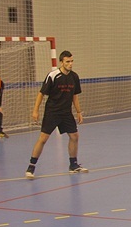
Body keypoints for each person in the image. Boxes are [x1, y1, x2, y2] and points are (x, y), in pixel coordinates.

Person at [25, 51, 88, 179]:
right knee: (43, 139)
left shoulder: (74, 77)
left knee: (75, 136)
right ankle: (31, 167)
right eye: (67, 62)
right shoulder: (53, 76)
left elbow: (75, 96)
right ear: (61, 62)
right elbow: (41, 93)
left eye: (71, 61)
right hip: (52, 112)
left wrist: (79, 112)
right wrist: (35, 111)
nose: (70, 64)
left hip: (66, 113)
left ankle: (73, 165)